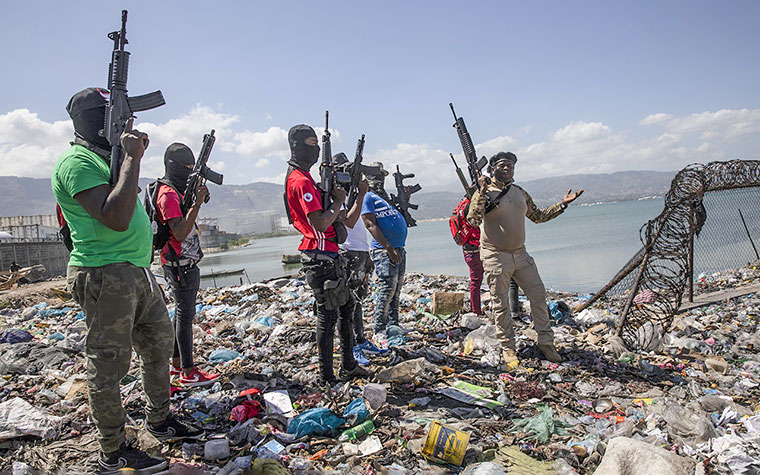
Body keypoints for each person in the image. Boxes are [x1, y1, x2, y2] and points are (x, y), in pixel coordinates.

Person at [51, 88, 201, 473]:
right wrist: (132, 157)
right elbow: (115, 217)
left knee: (158, 344)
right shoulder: (76, 162)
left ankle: (160, 420)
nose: (123, 125)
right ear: (93, 120)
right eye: (114, 116)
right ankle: (112, 449)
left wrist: (127, 158)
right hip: (104, 273)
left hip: (136, 272)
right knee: (108, 363)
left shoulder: (107, 159)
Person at [467, 152, 583, 363]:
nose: (507, 168)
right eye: (502, 165)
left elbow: (538, 216)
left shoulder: (520, 193)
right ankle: (508, 347)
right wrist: (481, 192)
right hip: (495, 255)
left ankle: (546, 344)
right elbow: (473, 220)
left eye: (511, 165)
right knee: (501, 304)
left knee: (538, 295)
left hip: (520, 254)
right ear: (492, 168)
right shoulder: (484, 192)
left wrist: (563, 204)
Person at [284, 125, 370, 386]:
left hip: (330, 255)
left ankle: (348, 365)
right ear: (297, 146)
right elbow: (320, 223)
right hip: (319, 257)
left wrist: (353, 195)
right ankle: (326, 376)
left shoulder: (309, 180)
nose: (316, 149)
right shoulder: (299, 181)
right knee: (327, 317)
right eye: (311, 144)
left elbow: (345, 220)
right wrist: (336, 201)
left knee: (346, 309)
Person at [155, 143, 219, 387]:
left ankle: (176, 364)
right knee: (185, 315)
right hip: (178, 262)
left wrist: (196, 196)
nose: (190, 170)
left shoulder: (177, 191)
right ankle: (189, 372)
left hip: (184, 260)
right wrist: (197, 203)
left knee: (182, 314)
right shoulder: (168, 194)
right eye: (187, 167)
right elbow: (180, 232)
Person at [332, 154, 387, 365]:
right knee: (346, 304)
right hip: (346, 251)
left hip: (360, 251)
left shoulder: (349, 192)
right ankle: (351, 346)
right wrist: (361, 195)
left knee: (357, 301)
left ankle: (361, 340)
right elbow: (348, 222)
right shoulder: (333, 193)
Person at [361, 162, 408, 338]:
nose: (380, 179)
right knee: (387, 289)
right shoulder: (367, 197)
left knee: (396, 290)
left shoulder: (383, 197)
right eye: (377, 175)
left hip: (397, 248)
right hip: (384, 251)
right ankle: (379, 328)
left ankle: (393, 324)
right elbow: (369, 224)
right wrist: (388, 248)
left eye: (382, 176)